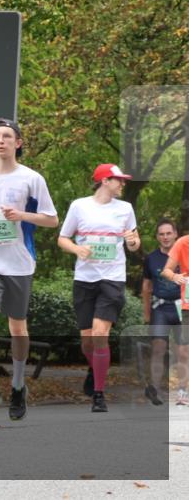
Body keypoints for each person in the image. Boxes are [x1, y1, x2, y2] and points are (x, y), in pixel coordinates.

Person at [0, 118, 58, 420]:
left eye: (7, 136)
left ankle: (18, 386)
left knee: (17, 327)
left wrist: (22, 215)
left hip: (19, 262)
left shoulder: (31, 179)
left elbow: (51, 220)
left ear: (17, 143)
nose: (1, 141)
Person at [58, 164, 140, 413]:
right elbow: (63, 238)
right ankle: (95, 369)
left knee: (99, 333)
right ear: (105, 180)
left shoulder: (125, 208)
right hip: (85, 279)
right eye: (119, 180)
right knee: (87, 342)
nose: (123, 184)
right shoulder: (79, 206)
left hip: (113, 278)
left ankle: (99, 394)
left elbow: (135, 243)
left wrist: (133, 241)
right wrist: (77, 249)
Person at [142, 219, 186, 405]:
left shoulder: (185, 251)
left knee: (184, 351)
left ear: (175, 234)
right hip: (160, 308)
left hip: (182, 307)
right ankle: (154, 388)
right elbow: (146, 287)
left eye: (169, 233)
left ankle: (183, 391)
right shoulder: (151, 258)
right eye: (161, 234)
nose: (165, 237)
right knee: (158, 347)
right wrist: (146, 314)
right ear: (157, 237)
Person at [157, 228, 189, 406]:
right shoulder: (183, 243)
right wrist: (175, 276)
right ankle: (183, 390)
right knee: (185, 350)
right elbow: (166, 270)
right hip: (188, 303)